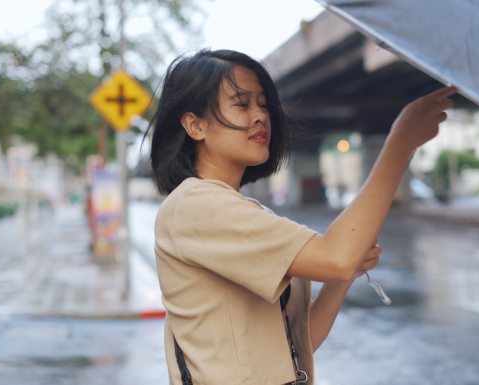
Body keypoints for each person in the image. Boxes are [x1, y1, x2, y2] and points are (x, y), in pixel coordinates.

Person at [148, 48, 455, 385]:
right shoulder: (196, 205)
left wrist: (342, 276)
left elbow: (295, 346)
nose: (260, 116)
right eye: (242, 103)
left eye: (263, 104)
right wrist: (402, 139)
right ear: (195, 125)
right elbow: (335, 256)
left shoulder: (244, 212)